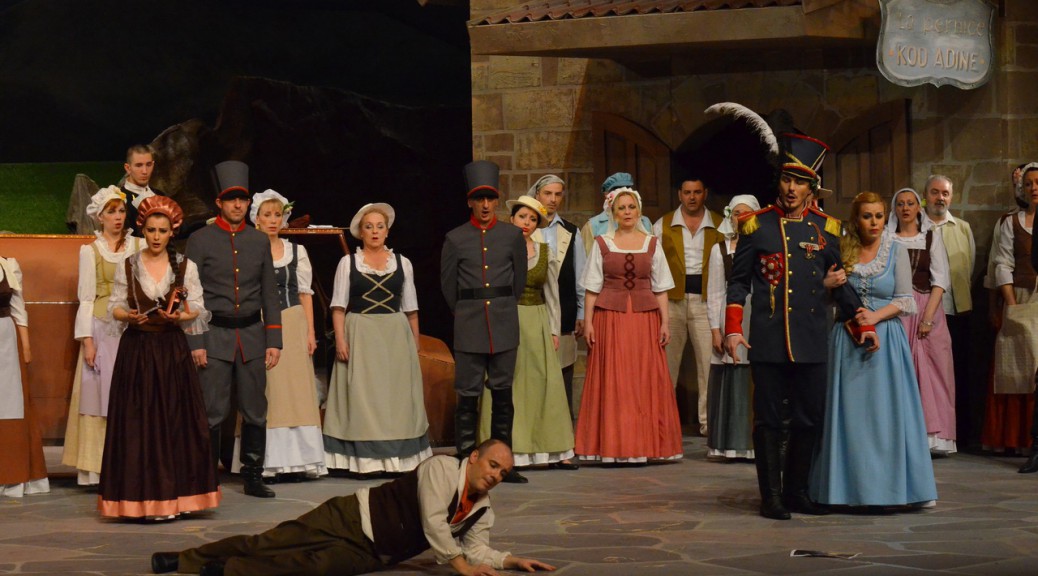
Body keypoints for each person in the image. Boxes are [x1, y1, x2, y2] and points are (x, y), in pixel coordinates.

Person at [724, 130, 874, 520]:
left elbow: (839, 282)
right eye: (787, 179)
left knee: (810, 419)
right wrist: (733, 328)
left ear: (812, 188)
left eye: (800, 182)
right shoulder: (756, 226)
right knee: (769, 422)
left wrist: (862, 323)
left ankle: (797, 491)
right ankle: (771, 497)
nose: (792, 189)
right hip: (769, 339)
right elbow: (738, 283)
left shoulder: (828, 229)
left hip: (810, 339)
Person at [150, 440, 556, 576]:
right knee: (271, 542)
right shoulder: (441, 469)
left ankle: (224, 570)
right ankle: (183, 560)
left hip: (375, 551)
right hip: (349, 517)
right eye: (493, 465)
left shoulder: (483, 509)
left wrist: (510, 560)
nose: (496, 475)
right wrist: (461, 567)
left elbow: (476, 546)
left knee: (308, 567)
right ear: (475, 458)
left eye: (503, 473)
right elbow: (435, 522)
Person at [810, 192, 937, 508]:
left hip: (886, 341)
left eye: (879, 216)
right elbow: (824, 297)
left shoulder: (895, 250)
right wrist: (826, 284)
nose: (874, 222)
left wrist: (875, 316)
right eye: (867, 216)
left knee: (884, 417)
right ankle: (845, 490)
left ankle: (890, 490)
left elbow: (905, 299)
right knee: (850, 417)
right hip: (846, 338)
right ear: (856, 219)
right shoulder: (841, 250)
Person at [98, 196, 220, 518]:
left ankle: (177, 499)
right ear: (143, 230)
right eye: (151, 230)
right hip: (137, 352)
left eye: (162, 231)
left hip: (170, 352)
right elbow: (115, 306)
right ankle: (138, 499)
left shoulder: (185, 266)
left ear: (171, 232)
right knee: (137, 425)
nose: (156, 236)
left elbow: (197, 309)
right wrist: (128, 316)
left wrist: (179, 317)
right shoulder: (129, 264)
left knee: (174, 422)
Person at [186, 160, 282, 498]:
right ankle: (206, 477)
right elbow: (191, 296)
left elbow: (270, 292)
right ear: (219, 203)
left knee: (255, 409)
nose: (238, 205)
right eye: (231, 199)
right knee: (212, 411)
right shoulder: (200, 240)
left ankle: (253, 476)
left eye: (242, 199)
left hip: (252, 336)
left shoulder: (258, 241)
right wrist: (196, 341)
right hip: (214, 335)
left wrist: (274, 339)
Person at [575, 187, 683, 463]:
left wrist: (665, 322)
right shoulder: (602, 243)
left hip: (645, 319)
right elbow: (591, 287)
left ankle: (645, 444)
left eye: (631, 207)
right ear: (612, 213)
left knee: (643, 378)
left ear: (639, 211)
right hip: (610, 318)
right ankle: (614, 445)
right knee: (615, 379)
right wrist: (589, 322)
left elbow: (661, 287)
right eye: (621, 208)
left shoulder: (652, 243)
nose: (627, 212)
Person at [324, 202, 431, 474]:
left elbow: (411, 309)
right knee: (363, 395)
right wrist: (340, 340)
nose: (374, 231)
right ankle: (365, 461)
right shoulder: (348, 263)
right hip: (360, 332)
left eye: (379, 226)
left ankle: (398, 458)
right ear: (360, 232)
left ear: (387, 231)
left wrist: (415, 344)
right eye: (369, 227)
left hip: (394, 334)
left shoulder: (402, 263)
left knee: (395, 396)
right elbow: (338, 307)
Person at [228, 190, 326, 482]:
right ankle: (266, 461)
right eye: (267, 215)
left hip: (293, 322)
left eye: (278, 215)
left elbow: (305, 294)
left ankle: (299, 460)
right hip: (260, 324)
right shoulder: (247, 250)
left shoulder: (297, 252)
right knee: (267, 390)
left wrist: (310, 332)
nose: (273, 220)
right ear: (256, 218)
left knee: (297, 391)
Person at [440, 161, 527, 482]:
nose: (486, 205)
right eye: (480, 199)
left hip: (503, 323)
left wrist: (501, 307)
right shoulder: (455, 238)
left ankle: (504, 463)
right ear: (470, 202)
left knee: (503, 396)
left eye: (490, 198)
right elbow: (448, 286)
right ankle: (466, 459)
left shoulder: (512, 235)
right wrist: (467, 312)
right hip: (469, 324)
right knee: (468, 395)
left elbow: (518, 282)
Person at [479, 195, 576, 470]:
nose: (527, 222)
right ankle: (507, 449)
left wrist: (554, 330)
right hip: (506, 319)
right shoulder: (498, 250)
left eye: (533, 219)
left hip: (536, 321)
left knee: (542, 383)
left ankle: (552, 449)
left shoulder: (544, 252)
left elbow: (552, 294)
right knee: (508, 383)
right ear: (512, 219)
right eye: (522, 216)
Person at [62, 186, 145, 485]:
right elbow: (86, 297)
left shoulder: (139, 245)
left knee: (135, 395)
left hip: (134, 327)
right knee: (99, 398)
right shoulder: (91, 251)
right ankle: (98, 466)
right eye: (111, 212)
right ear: (100, 217)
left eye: (121, 211)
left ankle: (134, 463)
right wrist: (87, 341)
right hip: (102, 329)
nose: (118, 217)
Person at [887, 187, 956, 454]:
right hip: (897, 310)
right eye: (900, 204)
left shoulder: (930, 237)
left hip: (928, 308)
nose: (905, 208)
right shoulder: (887, 238)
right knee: (900, 371)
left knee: (934, 371)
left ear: (919, 207)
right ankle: (901, 435)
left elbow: (940, 280)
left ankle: (934, 438)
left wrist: (927, 318)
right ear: (894, 209)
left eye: (910, 203)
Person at [653, 177, 724, 436]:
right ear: (679, 194)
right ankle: (664, 423)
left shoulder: (719, 224)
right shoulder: (663, 224)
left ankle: (708, 423)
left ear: (705, 193)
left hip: (705, 302)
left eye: (696, 192)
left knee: (708, 364)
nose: (692, 197)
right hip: (673, 301)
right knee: (667, 364)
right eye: (687, 192)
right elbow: (654, 264)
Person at [982, 164, 1035, 456]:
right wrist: (1011, 304)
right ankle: (1018, 438)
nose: (1034, 188)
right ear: (1022, 189)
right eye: (1029, 183)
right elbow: (1002, 264)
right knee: (1016, 367)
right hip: (1021, 296)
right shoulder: (1011, 222)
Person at [704, 195, 760, 460]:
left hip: (756, 316)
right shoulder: (720, 249)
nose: (741, 218)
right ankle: (730, 444)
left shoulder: (763, 245)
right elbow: (715, 292)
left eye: (747, 213)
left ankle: (754, 444)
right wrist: (716, 330)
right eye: (737, 213)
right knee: (732, 373)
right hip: (730, 316)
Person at [529, 175, 586, 421]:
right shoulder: (527, 229)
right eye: (548, 193)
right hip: (532, 309)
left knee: (563, 374)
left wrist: (582, 313)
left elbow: (580, 275)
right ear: (537, 195)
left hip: (564, 311)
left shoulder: (571, 232)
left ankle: (563, 429)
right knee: (534, 373)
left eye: (557, 194)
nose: (552, 199)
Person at [924, 175, 976, 443]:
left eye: (945, 193)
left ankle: (957, 433)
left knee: (957, 372)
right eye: (935, 192)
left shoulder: (962, 228)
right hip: (925, 312)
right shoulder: (917, 227)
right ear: (926, 195)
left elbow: (969, 267)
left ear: (951, 197)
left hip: (955, 311)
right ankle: (931, 432)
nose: (940, 198)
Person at [0, 256, 49, 498]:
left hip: (4, 339)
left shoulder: (8, 265)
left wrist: (26, 347)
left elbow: (19, 310)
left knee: (9, 405)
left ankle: (10, 474)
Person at [580, 172, 653, 256]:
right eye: (616, 189)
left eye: (627, 188)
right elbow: (586, 258)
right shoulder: (593, 226)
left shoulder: (645, 223)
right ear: (606, 195)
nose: (622, 192)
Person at [121, 144, 165, 238]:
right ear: (128, 168)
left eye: (148, 165)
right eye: (139, 165)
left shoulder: (160, 196)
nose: (145, 171)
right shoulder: (119, 200)